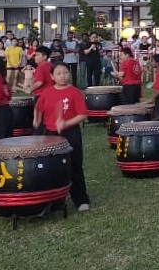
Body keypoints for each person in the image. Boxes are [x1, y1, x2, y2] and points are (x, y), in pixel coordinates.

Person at [33, 62, 92, 212]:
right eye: (59, 73)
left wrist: (65, 123)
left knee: (74, 166)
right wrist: (37, 119)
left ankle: (81, 200)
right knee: (52, 168)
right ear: (52, 76)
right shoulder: (47, 92)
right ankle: (54, 201)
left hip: (70, 133)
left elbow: (83, 115)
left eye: (65, 72)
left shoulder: (74, 92)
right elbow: (39, 108)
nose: (63, 76)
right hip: (50, 134)